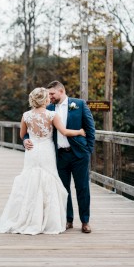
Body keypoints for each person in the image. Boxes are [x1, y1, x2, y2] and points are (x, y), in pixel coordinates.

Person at [0, 87, 86, 235]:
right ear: (45, 100)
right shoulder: (52, 115)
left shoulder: (26, 115)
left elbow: (23, 135)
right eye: (48, 96)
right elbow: (65, 132)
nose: (50, 98)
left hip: (32, 151)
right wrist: (80, 131)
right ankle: (47, 220)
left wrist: (26, 141)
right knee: (48, 181)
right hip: (47, 151)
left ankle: (28, 218)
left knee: (31, 181)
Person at [24, 81, 95, 234]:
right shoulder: (47, 109)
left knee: (82, 188)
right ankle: (68, 220)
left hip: (79, 155)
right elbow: (27, 129)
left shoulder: (79, 104)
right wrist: (25, 139)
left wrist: (88, 150)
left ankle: (85, 221)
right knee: (62, 189)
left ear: (61, 91)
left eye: (52, 94)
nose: (50, 97)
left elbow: (90, 129)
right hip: (58, 155)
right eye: (48, 95)